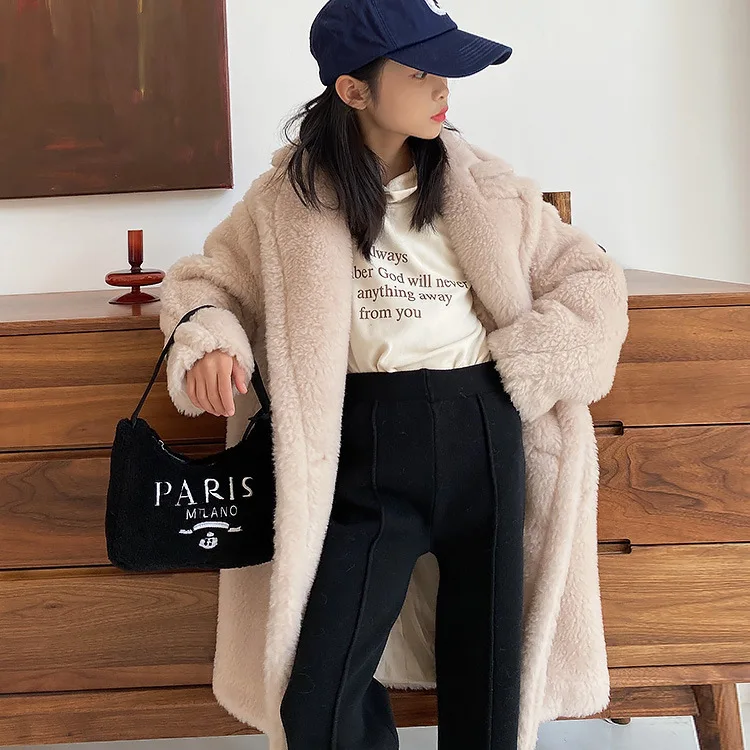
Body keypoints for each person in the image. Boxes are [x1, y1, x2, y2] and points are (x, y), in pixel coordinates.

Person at [158, 1, 630, 748]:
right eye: (420, 72)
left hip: (484, 431)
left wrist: (537, 360)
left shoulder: (488, 190)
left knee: (491, 685)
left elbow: (591, 277)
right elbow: (205, 281)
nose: (443, 87)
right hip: (363, 448)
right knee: (319, 697)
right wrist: (212, 340)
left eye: (445, 70)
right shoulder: (286, 204)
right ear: (353, 90)